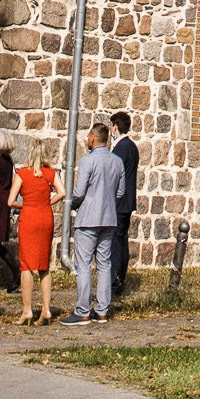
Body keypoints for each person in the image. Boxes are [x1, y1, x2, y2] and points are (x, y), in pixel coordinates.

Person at [61, 122, 124, 325]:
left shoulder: (88, 161)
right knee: (104, 264)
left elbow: (79, 192)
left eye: (89, 136)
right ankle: (102, 310)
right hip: (109, 217)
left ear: (94, 138)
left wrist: (72, 204)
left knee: (84, 264)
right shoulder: (117, 161)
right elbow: (120, 192)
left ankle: (82, 310)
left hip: (88, 217)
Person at [13, 136, 59, 325]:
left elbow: (10, 200)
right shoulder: (50, 173)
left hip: (29, 217)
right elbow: (62, 192)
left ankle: (27, 310)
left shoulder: (22, 173)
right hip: (45, 216)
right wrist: (47, 201)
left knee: (26, 265)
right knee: (43, 265)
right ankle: (47, 309)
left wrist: (24, 205)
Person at [108, 110, 139, 294]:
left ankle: (115, 280)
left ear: (115, 127)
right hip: (127, 201)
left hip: (120, 201)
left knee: (116, 241)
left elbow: (115, 175)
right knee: (122, 238)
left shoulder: (121, 148)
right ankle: (120, 277)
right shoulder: (132, 146)